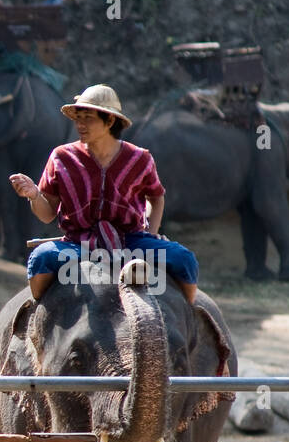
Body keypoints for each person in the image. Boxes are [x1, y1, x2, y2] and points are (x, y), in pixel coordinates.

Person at [10, 84, 198, 303]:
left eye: (88, 118)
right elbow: (47, 214)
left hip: (130, 243)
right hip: (77, 245)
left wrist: (152, 232)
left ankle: (192, 318)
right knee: (41, 259)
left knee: (185, 259)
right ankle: (39, 321)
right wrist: (34, 195)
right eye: (78, 117)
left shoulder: (140, 158)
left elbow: (156, 197)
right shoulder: (61, 157)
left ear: (109, 121)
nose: (80, 124)